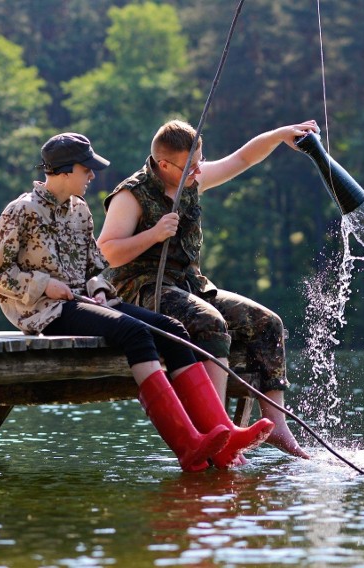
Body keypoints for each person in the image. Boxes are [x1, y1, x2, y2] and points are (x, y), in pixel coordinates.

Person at [0, 132, 274, 472]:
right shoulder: (22, 211)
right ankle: (187, 444)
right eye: (85, 169)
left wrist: (100, 289)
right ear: (63, 170)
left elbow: (94, 268)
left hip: (84, 301)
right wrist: (45, 285)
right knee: (134, 332)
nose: (92, 176)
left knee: (172, 329)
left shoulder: (79, 212)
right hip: (45, 311)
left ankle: (221, 432)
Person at [97, 119, 320, 460]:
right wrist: (153, 234)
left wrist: (279, 135)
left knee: (266, 322)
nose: (199, 169)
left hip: (190, 286)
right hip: (142, 289)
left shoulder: (191, 177)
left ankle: (276, 425)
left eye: (200, 160)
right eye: (191, 164)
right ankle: (215, 428)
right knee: (209, 322)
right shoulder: (132, 194)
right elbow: (107, 250)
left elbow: (242, 159)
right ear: (164, 164)